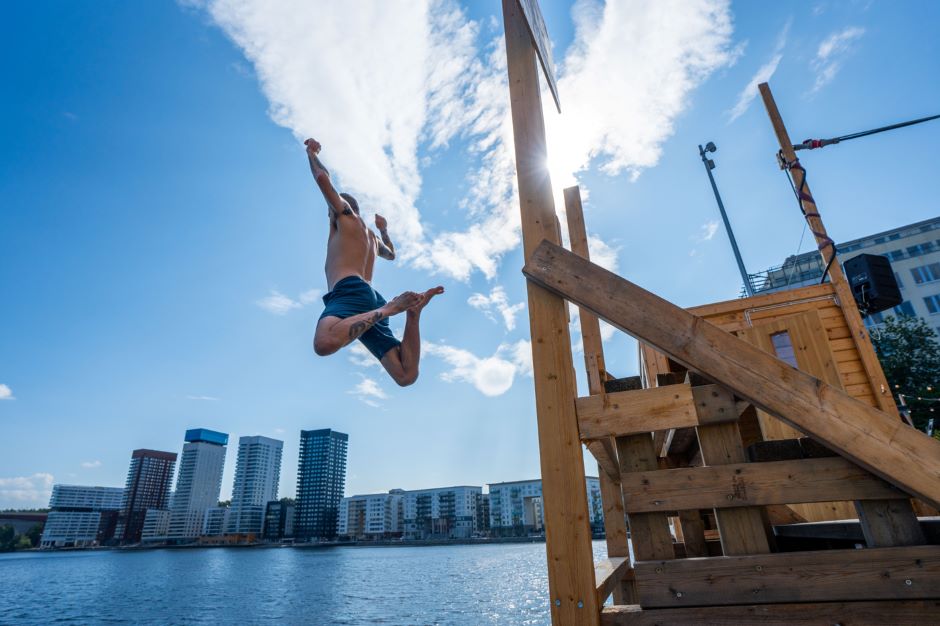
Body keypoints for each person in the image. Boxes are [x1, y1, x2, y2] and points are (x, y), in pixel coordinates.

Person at [305, 138, 443, 386]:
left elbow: (322, 179)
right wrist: (384, 230)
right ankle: (412, 314)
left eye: (330, 211)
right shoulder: (370, 237)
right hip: (369, 298)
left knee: (324, 343)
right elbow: (391, 253)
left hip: (350, 292)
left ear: (339, 206)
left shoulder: (344, 215)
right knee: (405, 375)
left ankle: (391, 309)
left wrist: (311, 153)